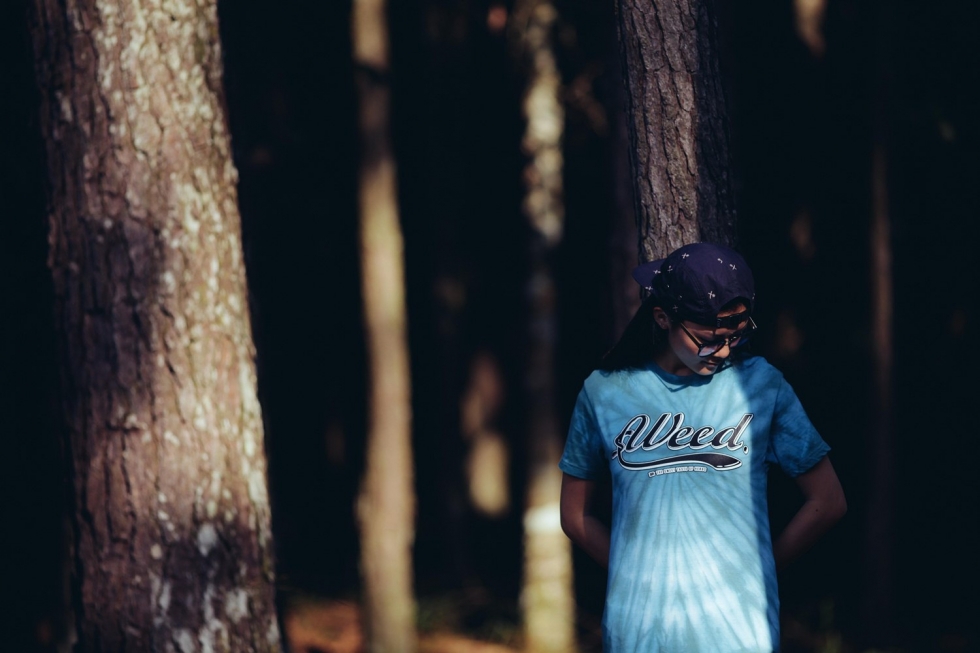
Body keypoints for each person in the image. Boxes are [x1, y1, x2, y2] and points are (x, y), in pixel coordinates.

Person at [559, 242, 846, 653]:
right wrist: (634, 572)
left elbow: (828, 501)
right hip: (639, 635)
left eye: (735, 337)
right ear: (662, 317)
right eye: (709, 340)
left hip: (739, 635)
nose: (724, 351)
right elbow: (574, 515)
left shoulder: (761, 385)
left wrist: (759, 568)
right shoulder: (604, 392)